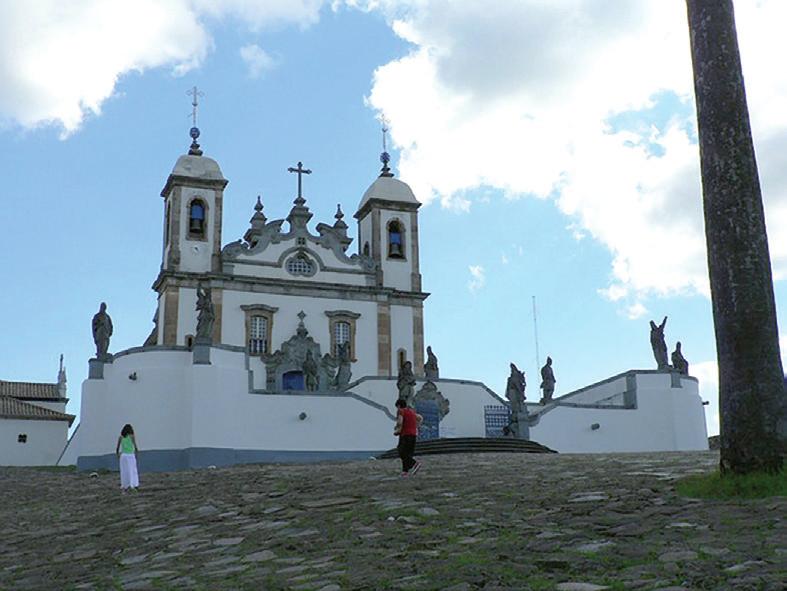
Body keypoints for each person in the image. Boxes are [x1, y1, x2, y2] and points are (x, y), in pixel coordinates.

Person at [394, 399, 422, 477]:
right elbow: (420, 418)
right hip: (413, 434)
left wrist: (397, 431)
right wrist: (416, 426)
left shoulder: (401, 411)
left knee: (401, 452)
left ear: (399, 406)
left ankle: (415, 464)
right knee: (408, 454)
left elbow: (400, 422)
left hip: (405, 434)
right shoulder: (411, 411)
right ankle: (405, 472)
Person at [115, 424, 140, 492]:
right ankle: (133, 485)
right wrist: (137, 454)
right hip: (130, 455)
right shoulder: (132, 436)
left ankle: (125, 485)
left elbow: (117, 448)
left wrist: (117, 455)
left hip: (123, 456)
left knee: (124, 471)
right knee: (132, 471)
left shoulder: (121, 437)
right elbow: (135, 446)